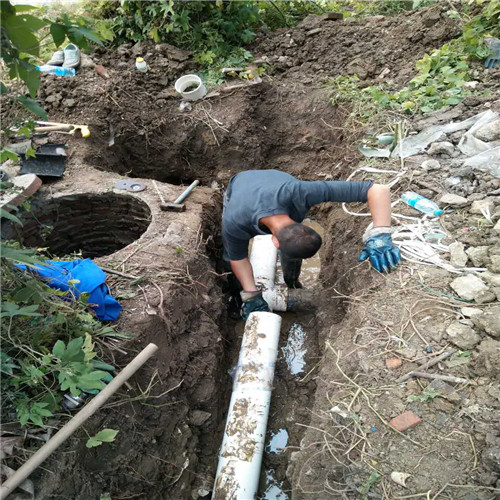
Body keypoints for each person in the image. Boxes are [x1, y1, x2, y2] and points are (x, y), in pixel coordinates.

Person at [222, 169, 401, 320]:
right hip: (240, 185)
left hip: (274, 183)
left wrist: (380, 235)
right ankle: (235, 295)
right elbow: (238, 258)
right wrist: (251, 294)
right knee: (229, 254)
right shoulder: (235, 221)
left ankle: (291, 282)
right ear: (274, 242)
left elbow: (377, 190)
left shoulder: (300, 191)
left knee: (295, 248)